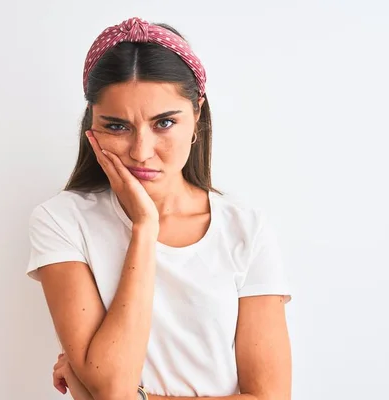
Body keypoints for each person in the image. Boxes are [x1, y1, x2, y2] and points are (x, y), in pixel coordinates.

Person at [27, 17, 292, 400]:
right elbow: (113, 384)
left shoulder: (244, 229)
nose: (140, 151)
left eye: (164, 122)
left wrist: (140, 398)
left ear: (197, 114)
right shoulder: (62, 221)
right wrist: (145, 228)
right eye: (116, 126)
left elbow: (270, 398)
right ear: (92, 125)